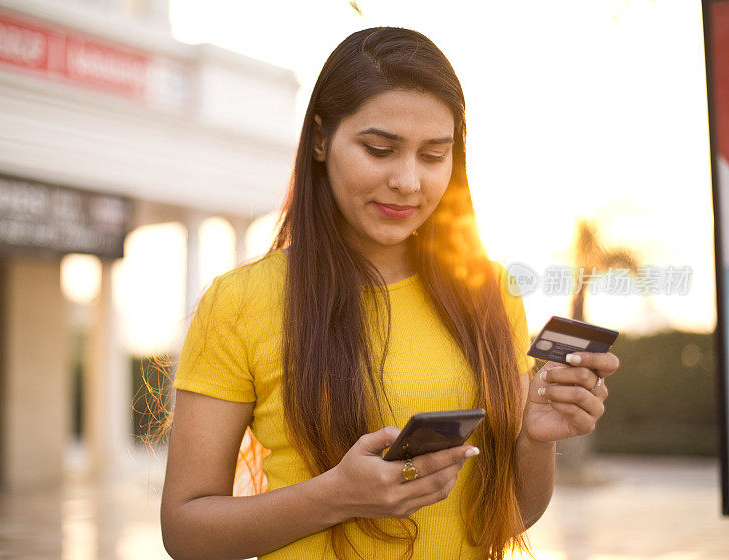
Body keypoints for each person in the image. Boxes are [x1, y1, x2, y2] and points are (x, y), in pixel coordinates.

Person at [160, 26, 620, 560]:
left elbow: (510, 515)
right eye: (380, 150)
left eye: (433, 155)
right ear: (318, 139)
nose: (408, 181)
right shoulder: (242, 301)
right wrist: (334, 497)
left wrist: (538, 440)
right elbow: (186, 532)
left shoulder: (491, 291)